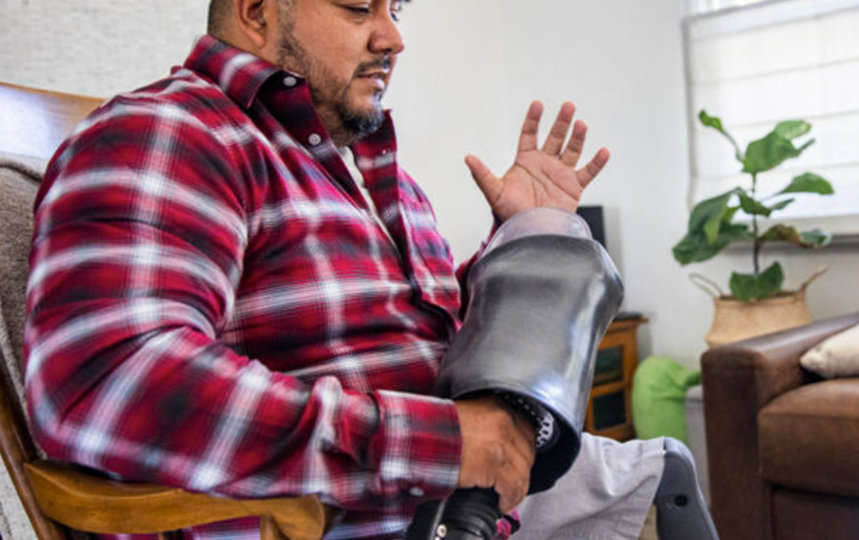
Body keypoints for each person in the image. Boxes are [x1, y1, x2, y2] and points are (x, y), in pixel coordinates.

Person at [24, 1, 693, 539]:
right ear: (256, 11)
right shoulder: (170, 134)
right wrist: (437, 442)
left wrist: (516, 240)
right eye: (356, 7)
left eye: (395, 8)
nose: (392, 36)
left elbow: (425, 340)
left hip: (451, 500)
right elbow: (110, 383)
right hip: (327, 516)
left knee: (662, 473)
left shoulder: (375, 178)